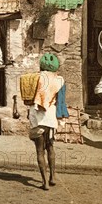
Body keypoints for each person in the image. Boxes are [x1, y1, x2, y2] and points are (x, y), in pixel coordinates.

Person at [29, 53, 65, 190]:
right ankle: (53, 177)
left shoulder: (37, 78)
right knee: (50, 146)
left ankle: (44, 182)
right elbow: (61, 101)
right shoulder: (60, 80)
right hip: (51, 115)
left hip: (37, 116)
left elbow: (29, 98)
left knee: (39, 150)